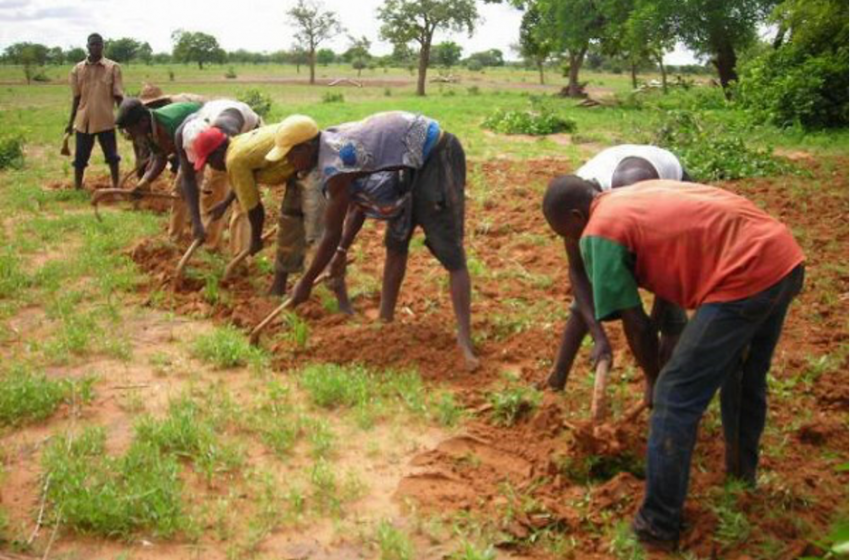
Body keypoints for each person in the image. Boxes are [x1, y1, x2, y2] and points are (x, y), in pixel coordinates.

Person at [542, 178, 805, 551]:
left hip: (744, 273)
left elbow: (637, 326)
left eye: (565, 234)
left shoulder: (600, 229)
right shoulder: (630, 200)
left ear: (575, 215)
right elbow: (667, 279)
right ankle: (741, 477)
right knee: (744, 375)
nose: (572, 244)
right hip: (782, 256)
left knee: (675, 393)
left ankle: (657, 523)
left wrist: (654, 379)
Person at [271, 111, 478, 369]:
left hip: (436, 153)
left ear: (307, 147)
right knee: (396, 240)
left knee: (450, 251)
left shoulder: (336, 164)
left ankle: (464, 338)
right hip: (407, 163)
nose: (290, 162)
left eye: (291, 154)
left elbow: (331, 232)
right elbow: (357, 207)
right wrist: (342, 251)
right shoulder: (332, 149)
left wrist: (306, 281)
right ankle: (385, 320)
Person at [545, 145, 692, 392]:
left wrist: (651, 329)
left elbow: (670, 264)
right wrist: (599, 338)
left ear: (578, 217)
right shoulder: (572, 200)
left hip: (671, 204)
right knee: (598, 284)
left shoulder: (634, 191)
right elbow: (578, 273)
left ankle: (662, 385)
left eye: (572, 235)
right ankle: (557, 377)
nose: (575, 240)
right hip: (624, 203)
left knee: (669, 303)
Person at [192, 119, 326, 295]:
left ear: (217, 153)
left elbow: (255, 209)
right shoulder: (237, 144)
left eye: (209, 161)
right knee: (290, 221)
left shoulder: (234, 160)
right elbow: (244, 181)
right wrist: (225, 204)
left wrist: (255, 239)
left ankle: (329, 281)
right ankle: (279, 286)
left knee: (314, 228)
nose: (211, 166)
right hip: (298, 167)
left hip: (310, 161)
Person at [175, 99, 262, 249]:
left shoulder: (233, 138)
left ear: (219, 150)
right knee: (211, 193)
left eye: (208, 160)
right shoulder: (183, 135)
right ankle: (210, 245)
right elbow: (189, 178)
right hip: (218, 141)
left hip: (250, 135)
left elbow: (246, 179)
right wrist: (196, 223)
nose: (207, 164)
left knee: (244, 201)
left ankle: (240, 255)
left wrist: (226, 202)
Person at [115, 98, 203, 240]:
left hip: (202, 138)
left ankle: (209, 240)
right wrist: (144, 182)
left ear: (142, 121)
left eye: (130, 129)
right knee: (181, 190)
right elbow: (160, 157)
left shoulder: (170, 124)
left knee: (204, 190)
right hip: (186, 147)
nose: (129, 133)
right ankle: (176, 237)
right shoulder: (148, 129)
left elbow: (188, 158)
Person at [66, 33, 124, 190]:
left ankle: (116, 186)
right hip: (83, 121)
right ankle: (78, 187)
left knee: (112, 157)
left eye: (99, 44)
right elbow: (76, 98)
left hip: (106, 120)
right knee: (80, 158)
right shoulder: (77, 70)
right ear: (87, 46)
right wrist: (70, 123)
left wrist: (124, 120)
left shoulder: (113, 68)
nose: (96, 47)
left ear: (103, 46)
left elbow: (119, 96)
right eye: (93, 44)